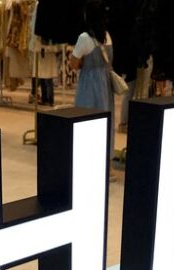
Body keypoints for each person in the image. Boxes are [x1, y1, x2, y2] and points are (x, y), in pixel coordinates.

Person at [70, 0, 114, 159]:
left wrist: (82, 61)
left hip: (88, 84)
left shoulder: (84, 38)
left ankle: (86, 157)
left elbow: (73, 64)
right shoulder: (107, 36)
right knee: (104, 120)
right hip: (105, 84)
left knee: (85, 119)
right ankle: (104, 158)